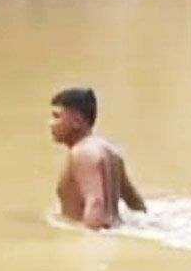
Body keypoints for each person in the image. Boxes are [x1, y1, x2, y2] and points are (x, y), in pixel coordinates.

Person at [50, 87, 146, 230]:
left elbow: (95, 203)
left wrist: (87, 241)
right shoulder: (111, 152)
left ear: (76, 122)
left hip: (94, 234)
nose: (51, 123)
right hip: (114, 230)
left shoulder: (82, 153)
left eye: (57, 116)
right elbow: (135, 202)